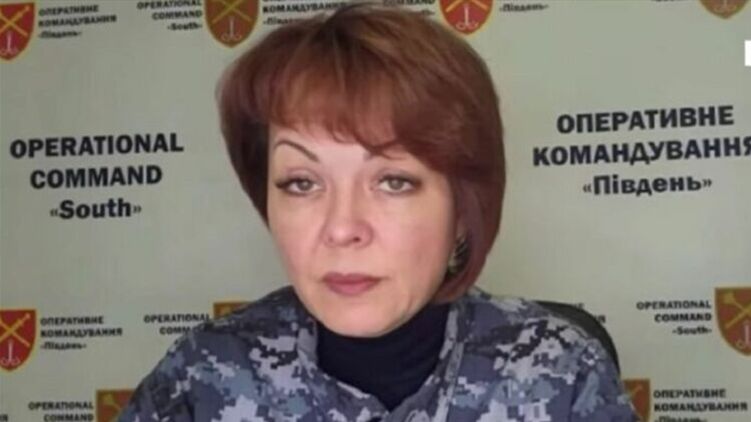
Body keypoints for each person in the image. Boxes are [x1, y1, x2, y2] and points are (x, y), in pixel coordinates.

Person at [120, 3, 637, 421]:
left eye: (394, 181)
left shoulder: (559, 373)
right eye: (302, 183)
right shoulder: (204, 377)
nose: (342, 228)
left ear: (463, 209)